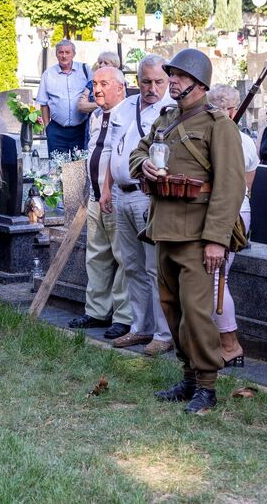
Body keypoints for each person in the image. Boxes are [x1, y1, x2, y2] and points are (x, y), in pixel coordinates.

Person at [131, 49, 245, 413]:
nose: (173, 80)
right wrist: (144, 165)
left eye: (180, 75)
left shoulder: (218, 125)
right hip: (163, 228)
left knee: (196, 313)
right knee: (172, 309)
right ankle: (189, 377)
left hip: (197, 235)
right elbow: (137, 153)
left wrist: (216, 240)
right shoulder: (165, 119)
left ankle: (207, 387)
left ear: (199, 83)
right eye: (173, 74)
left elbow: (230, 186)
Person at [95, 55, 175, 356]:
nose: (152, 88)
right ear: (136, 81)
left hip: (147, 194)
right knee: (130, 265)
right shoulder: (126, 106)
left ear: (167, 81)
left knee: (154, 268)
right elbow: (112, 149)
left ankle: (163, 333)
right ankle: (140, 326)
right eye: (146, 81)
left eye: (158, 81)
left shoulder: (170, 111)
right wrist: (106, 188)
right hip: (120, 192)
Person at [70, 66, 133, 339]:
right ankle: (97, 311)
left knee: (123, 258)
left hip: (117, 197)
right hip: (95, 195)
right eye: (95, 83)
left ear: (120, 87)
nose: (96, 89)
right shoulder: (97, 114)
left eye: (104, 84)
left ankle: (124, 317)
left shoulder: (129, 115)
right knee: (96, 255)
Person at [207, 84, 260, 368]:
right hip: (231, 208)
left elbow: (244, 187)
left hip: (233, 211)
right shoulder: (241, 139)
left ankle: (230, 344)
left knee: (217, 278)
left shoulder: (241, 140)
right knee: (211, 278)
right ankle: (216, 341)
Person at [35, 39, 96, 155]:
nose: (64, 56)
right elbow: (44, 104)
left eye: (67, 52)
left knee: (79, 164)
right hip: (57, 130)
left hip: (80, 129)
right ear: (56, 54)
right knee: (57, 164)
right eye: (61, 52)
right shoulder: (48, 74)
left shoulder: (85, 70)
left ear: (73, 54)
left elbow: (94, 93)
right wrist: (48, 128)